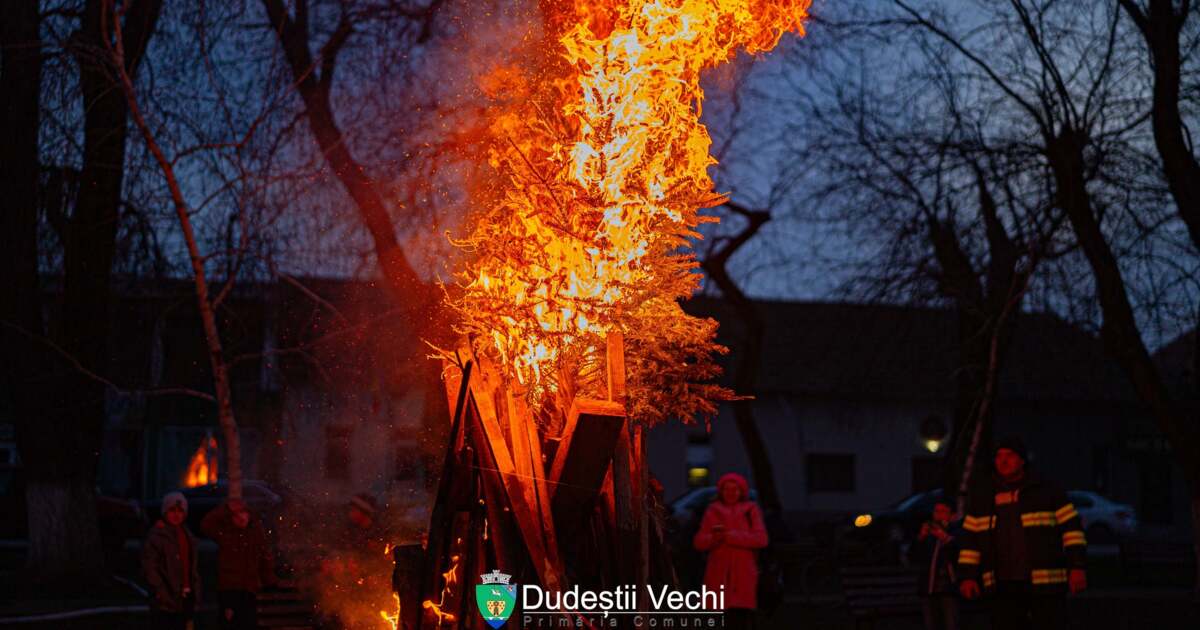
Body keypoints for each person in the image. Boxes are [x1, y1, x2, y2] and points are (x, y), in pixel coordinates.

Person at [957, 437, 1087, 630]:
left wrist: (1077, 566)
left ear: (1022, 460)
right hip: (1001, 584)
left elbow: (1072, 531)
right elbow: (970, 542)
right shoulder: (983, 497)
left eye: (1010, 455)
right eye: (999, 456)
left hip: (1046, 583)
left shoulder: (1047, 491)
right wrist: (968, 576)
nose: (1003, 461)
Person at [693, 473, 768, 630]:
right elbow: (699, 542)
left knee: (740, 618)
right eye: (727, 489)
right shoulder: (713, 511)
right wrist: (714, 539)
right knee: (720, 619)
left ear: (742, 491)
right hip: (718, 574)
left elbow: (761, 539)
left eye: (735, 489)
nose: (731, 493)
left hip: (743, 574)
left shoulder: (750, 510)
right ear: (721, 491)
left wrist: (730, 536)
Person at [201, 498, 278, 630]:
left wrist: (269, 581)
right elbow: (206, 525)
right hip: (229, 590)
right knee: (229, 624)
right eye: (236, 515)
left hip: (248, 590)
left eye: (243, 513)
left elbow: (265, 557)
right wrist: (226, 509)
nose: (241, 518)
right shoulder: (226, 533)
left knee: (247, 623)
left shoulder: (255, 532)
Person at [143, 491, 201, 630]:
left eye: (180, 511)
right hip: (166, 598)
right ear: (165, 512)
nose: (176, 515)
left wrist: (195, 589)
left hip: (186, 596)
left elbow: (192, 566)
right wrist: (160, 590)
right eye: (172, 510)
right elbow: (150, 566)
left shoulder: (187, 535)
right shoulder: (157, 536)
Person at [908, 500, 959, 630]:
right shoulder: (928, 533)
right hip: (928, 587)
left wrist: (944, 537)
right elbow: (911, 556)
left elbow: (958, 552)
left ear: (952, 515)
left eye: (943, 511)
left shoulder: (956, 530)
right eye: (936, 511)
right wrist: (921, 537)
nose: (938, 515)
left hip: (948, 587)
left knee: (950, 624)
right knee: (930, 624)